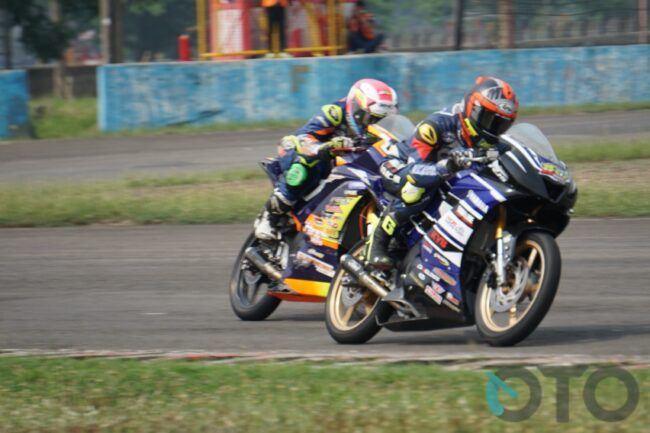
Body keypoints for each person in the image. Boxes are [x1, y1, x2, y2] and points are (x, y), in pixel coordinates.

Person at [365, 76, 519, 270]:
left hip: (439, 175)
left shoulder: (492, 142)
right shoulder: (437, 124)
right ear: (473, 108)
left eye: (500, 124)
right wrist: (448, 166)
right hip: (399, 166)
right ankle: (377, 242)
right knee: (416, 189)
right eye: (489, 119)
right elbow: (415, 169)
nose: (493, 128)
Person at [255, 78, 399, 240]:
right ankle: (269, 216)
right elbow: (303, 137)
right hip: (305, 152)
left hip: (349, 163)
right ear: (357, 110)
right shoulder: (334, 112)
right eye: (372, 118)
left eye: (382, 120)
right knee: (305, 166)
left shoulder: (382, 128)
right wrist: (327, 147)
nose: (376, 123)